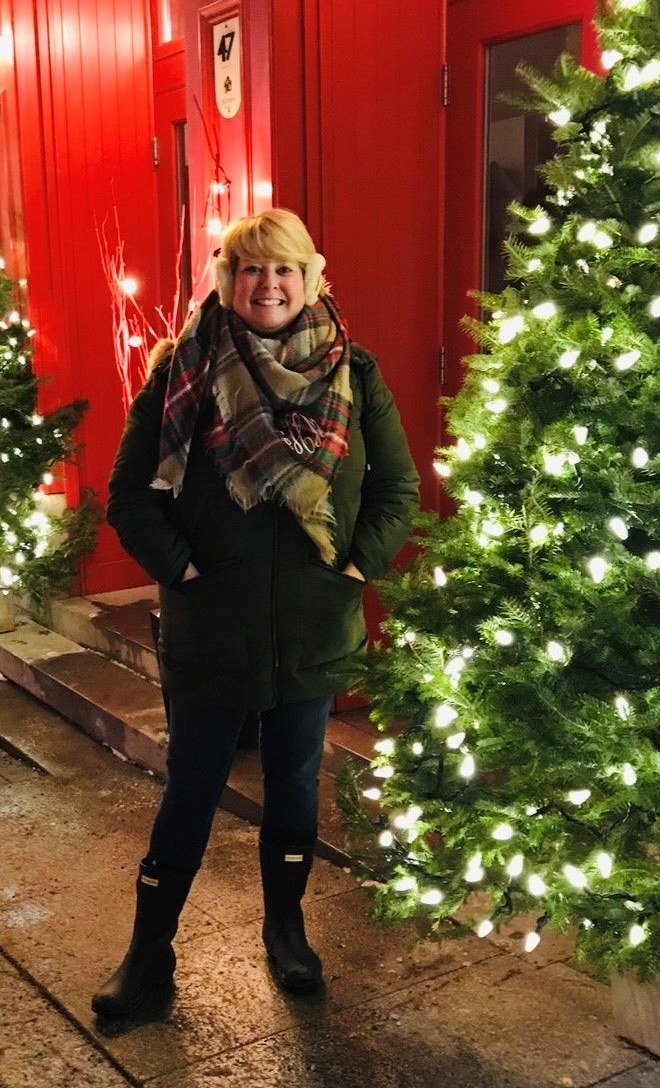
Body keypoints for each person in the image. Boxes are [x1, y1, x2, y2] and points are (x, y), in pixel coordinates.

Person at [96, 209, 420, 1019]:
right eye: (249, 269)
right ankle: (149, 952)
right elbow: (130, 495)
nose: (266, 285)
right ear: (227, 279)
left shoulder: (357, 373)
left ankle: (286, 928)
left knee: (295, 784)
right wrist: (184, 569)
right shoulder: (181, 367)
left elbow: (396, 489)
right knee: (192, 788)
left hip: (313, 625)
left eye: (281, 270)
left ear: (310, 278)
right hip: (212, 627)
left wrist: (353, 567)